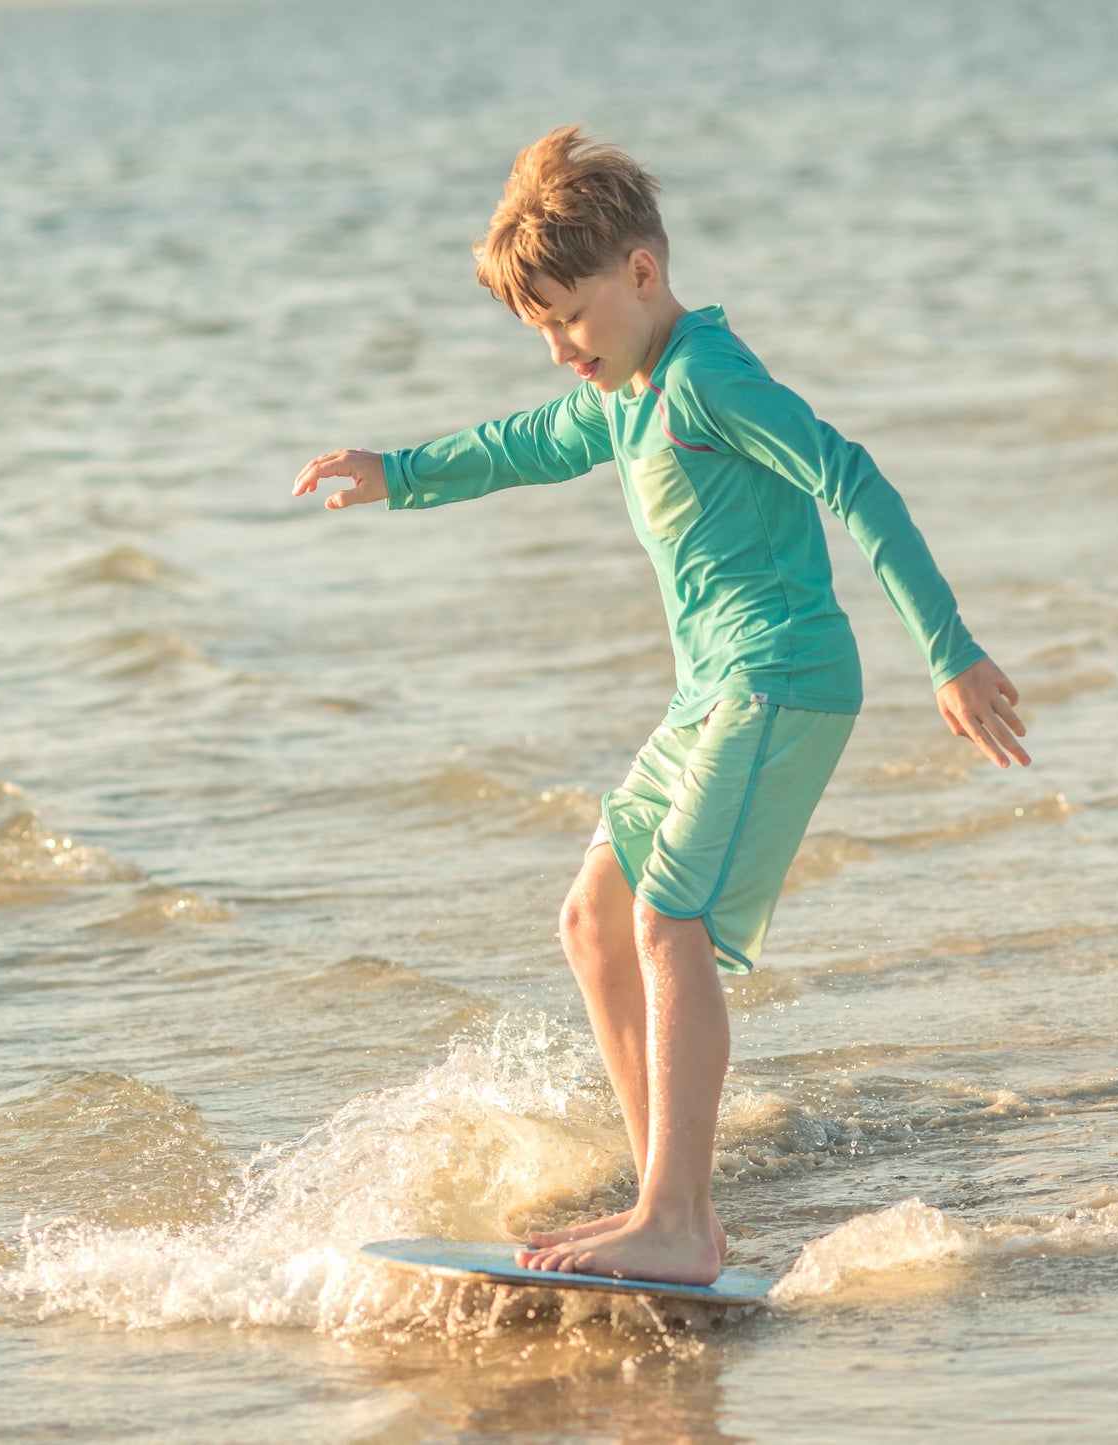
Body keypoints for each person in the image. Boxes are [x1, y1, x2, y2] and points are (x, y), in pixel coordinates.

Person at [293, 126, 1029, 1286]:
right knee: (595, 916)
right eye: (536, 330)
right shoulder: (627, 387)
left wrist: (948, 652)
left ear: (641, 274)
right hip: (710, 692)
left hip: (779, 679)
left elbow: (852, 475)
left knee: (666, 920)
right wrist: (400, 471)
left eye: (568, 319)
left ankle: (676, 1215)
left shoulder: (706, 380)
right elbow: (526, 441)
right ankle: (667, 1201)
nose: (555, 352)